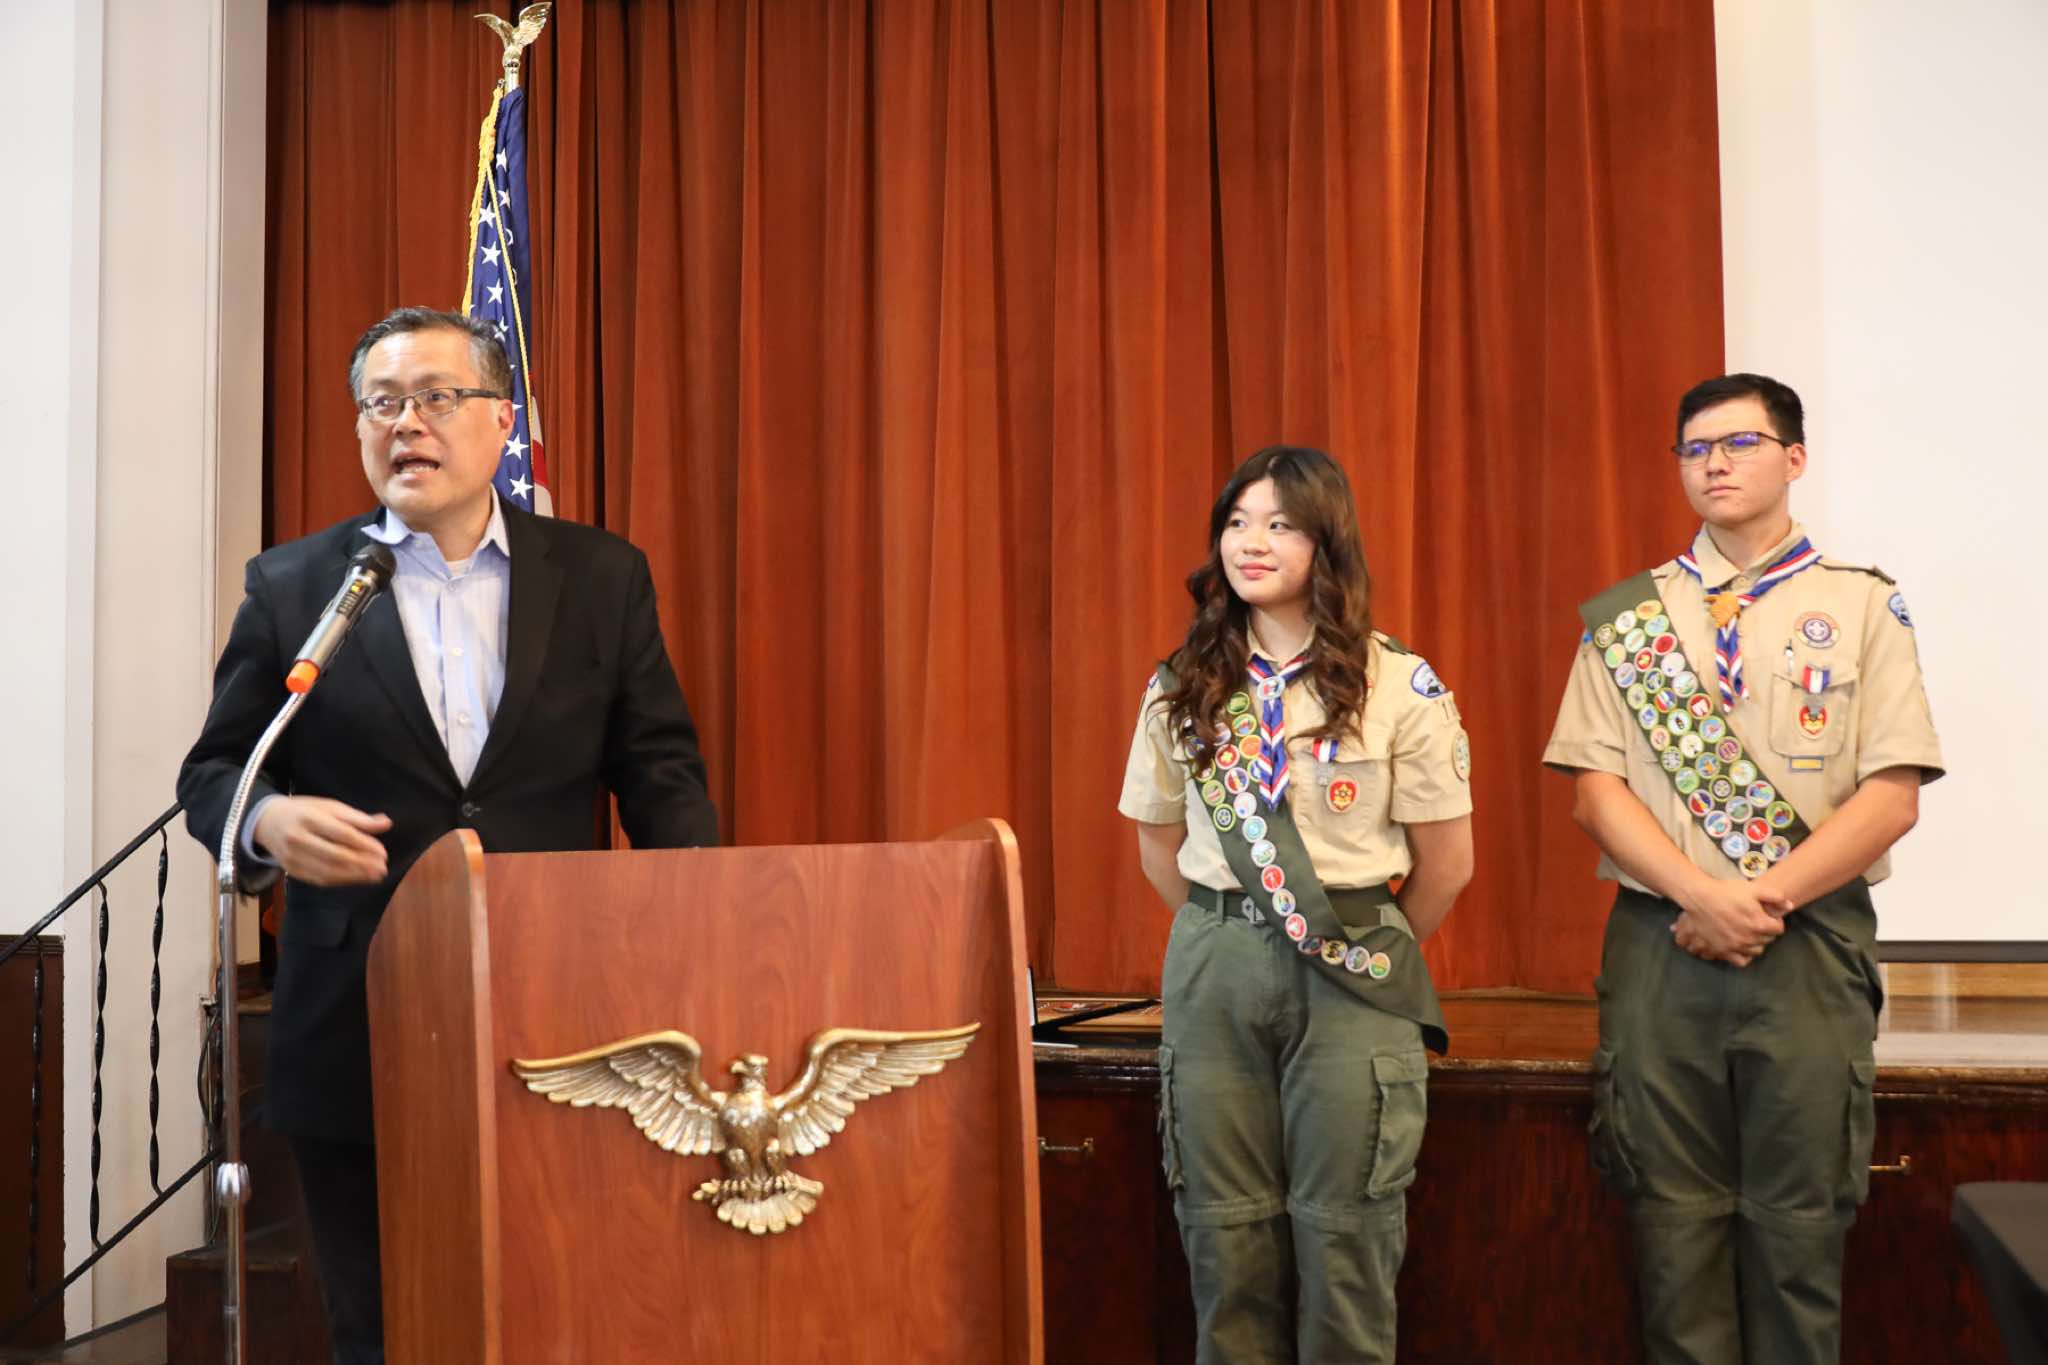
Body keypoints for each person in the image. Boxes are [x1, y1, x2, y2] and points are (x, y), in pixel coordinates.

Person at [177, 306, 719, 1364]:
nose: (405, 424)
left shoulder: (600, 576)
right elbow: (218, 771)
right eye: (381, 403)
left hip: (567, 1008)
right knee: (383, 1324)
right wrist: (268, 820)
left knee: (565, 1308)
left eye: (435, 397)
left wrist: (700, 933)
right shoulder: (295, 586)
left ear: (501, 420)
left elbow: (660, 772)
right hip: (356, 1015)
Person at [1542, 373, 1942, 1363]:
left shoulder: (1861, 604)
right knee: (1670, 1235)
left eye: (1739, 443)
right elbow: (1595, 792)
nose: (1713, 463)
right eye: (1694, 448)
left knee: (1798, 1234)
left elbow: (1891, 795)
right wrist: (1699, 897)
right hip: (1660, 944)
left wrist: (1753, 901)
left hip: (1804, 944)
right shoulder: (1629, 617)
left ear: (1793, 458)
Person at [1118, 445, 1474, 1363]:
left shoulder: (1397, 684)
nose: (1252, 542)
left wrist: (1354, 942)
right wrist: (1240, 926)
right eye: (1237, 522)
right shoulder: (1182, 683)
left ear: (1327, 541)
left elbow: (1447, 863)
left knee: (1348, 1234)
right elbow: (1159, 845)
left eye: (1279, 524)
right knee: (1222, 1233)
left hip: (1356, 965)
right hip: (1217, 960)